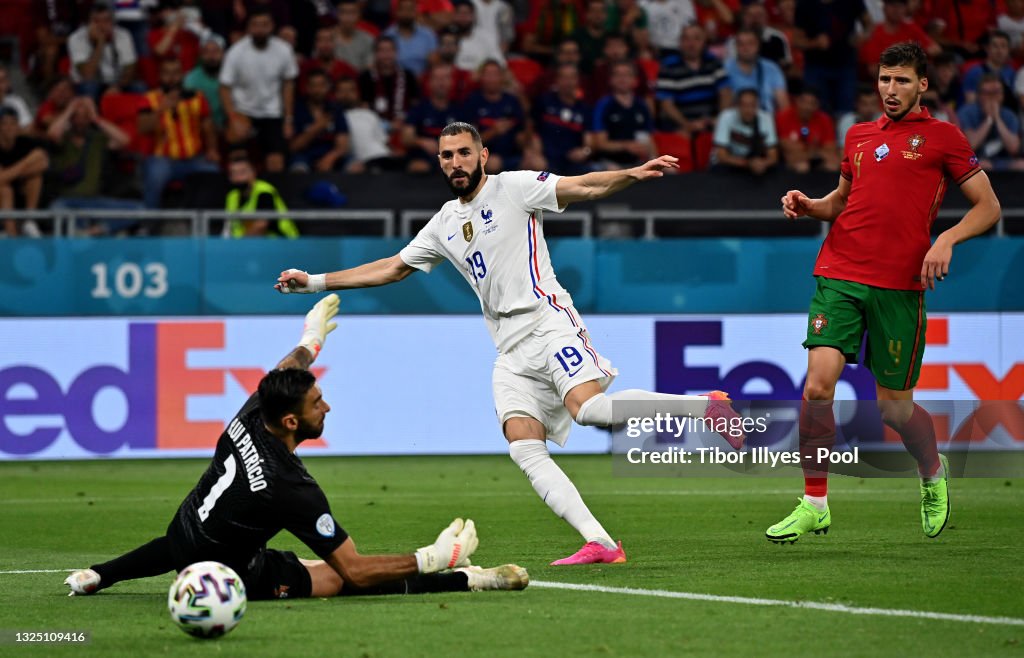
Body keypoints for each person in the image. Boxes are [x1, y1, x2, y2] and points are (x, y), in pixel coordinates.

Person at [275, 121, 743, 565]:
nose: (455, 162)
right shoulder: (443, 223)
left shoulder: (514, 188)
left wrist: (631, 174)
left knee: (590, 411)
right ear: (439, 163)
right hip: (510, 349)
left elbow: (583, 186)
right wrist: (314, 281)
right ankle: (599, 541)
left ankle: (707, 407)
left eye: (463, 153)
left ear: (483, 154)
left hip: (548, 322)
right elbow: (393, 268)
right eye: (446, 156)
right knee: (522, 443)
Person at [65, 295, 528, 599]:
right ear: (291, 421)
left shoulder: (252, 414)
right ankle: (467, 578)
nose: (327, 407)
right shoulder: (289, 487)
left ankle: (99, 574)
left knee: (183, 543)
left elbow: (283, 370)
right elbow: (357, 571)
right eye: (316, 403)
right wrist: (433, 557)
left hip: (189, 531)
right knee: (336, 580)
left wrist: (312, 337)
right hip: (235, 575)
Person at [772, 42, 1001, 544]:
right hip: (840, 271)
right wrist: (811, 206)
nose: (890, 90)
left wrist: (947, 238)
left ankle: (931, 472)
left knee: (894, 410)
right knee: (817, 385)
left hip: (900, 285)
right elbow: (842, 201)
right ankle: (814, 502)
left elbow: (989, 207)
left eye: (901, 81)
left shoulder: (943, 138)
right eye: (883, 79)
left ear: (922, 84)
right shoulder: (857, 135)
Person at [219, 7, 298, 172]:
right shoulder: (236, 52)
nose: (260, 29)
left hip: (272, 113)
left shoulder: (284, 50)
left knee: (276, 161)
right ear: (248, 28)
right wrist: (233, 118)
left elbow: (288, 85)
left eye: (264, 24)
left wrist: (288, 119)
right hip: (243, 111)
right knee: (237, 157)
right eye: (255, 25)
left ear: (272, 26)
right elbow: (225, 87)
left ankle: (271, 194)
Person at [138, 58, 221, 209]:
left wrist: (212, 149)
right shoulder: (150, 98)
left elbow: (208, 126)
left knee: (213, 172)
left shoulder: (197, 97)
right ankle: (148, 224)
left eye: (176, 73)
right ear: (160, 76)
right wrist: (161, 109)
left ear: (182, 75)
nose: (171, 78)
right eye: (167, 73)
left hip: (194, 158)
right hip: (162, 159)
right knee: (155, 176)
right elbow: (143, 127)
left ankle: (205, 225)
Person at [67, 2, 139, 99]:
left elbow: (130, 69)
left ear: (113, 22)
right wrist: (100, 43)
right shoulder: (76, 38)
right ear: (89, 22)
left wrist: (117, 87)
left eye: (106, 20)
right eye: (96, 21)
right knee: (90, 87)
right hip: (87, 83)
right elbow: (87, 74)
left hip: (116, 82)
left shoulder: (123, 35)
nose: (101, 25)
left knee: (139, 87)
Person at [224, 151, 298, 238]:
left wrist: (238, 246)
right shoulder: (232, 196)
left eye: (243, 172)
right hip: (248, 245)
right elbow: (228, 227)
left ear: (253, 173)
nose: (238, 177)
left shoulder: (264, 192)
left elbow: (261, 225)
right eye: (234, 173)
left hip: (281, 243)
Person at [957, 74, 1023, 171]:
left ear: (1002, 95)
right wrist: (989, 119)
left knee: (1021, 165)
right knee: (984, 165)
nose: (992, 97)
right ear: (979, 95)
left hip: (1003, 161)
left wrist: (997, 118)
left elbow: (1014, 148)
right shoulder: (967, 112)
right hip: (974, 160)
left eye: (996, 92)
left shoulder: (1010, 115)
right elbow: (971, 145)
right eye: (987, 93)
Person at [0, 108, 49, 238]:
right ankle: (11, 233)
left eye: (13, 123)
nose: (10, 128)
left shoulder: (24, 142)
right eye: (5, 123)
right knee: (5, 189)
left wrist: (11, 175)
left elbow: (43, 163)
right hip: (4, 193)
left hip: (20, 189)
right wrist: (27, 162)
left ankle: (29, 221)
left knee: (35, 177)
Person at [289, 70, 350, 173]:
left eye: (321, 85)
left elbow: (343, 146)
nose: (317, 90)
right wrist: (317, 127)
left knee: (355, 165)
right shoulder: (297, 109)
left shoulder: (335, 109)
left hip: (331, 154)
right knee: (298, 168)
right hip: (305, 156)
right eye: (313, 86)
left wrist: (330, 158)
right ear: (307, 88)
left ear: (327, 87)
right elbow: (293, 147)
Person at [711, 88, 778, 175]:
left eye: (752, 105)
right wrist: (747, 164)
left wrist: (762, 164)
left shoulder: (766, 118)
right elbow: (721, 155)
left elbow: (773, 156)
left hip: (756, 165)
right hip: (731, 165)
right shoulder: (725, 117)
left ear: (757, 105)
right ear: (737, 106)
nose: (748, 110)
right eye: (744, 105)